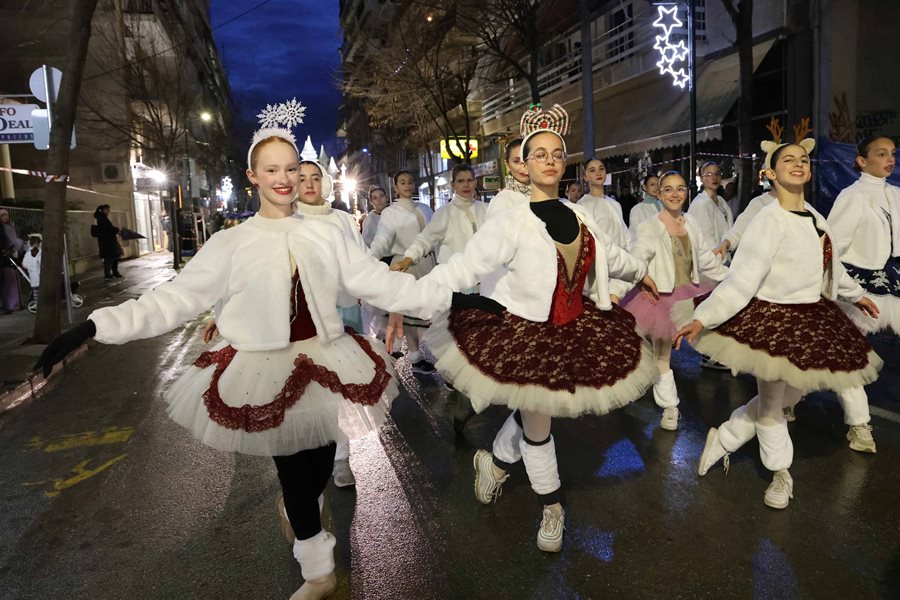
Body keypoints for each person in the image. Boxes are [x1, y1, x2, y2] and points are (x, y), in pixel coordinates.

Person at [35, 126, 453, 600]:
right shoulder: (231, 242)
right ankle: (318, 571)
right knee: (295, 474)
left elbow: (374, 281)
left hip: (325, 359)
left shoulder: (328, 231)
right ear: (253, 175)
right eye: (272, 169)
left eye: (291, 168)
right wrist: (94, 326)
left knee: (315, 468)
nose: (284, 178)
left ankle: (305, 522)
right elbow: (175, 299)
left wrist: (444, 295)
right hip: (263, 371)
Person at [403, 104, 659, 552]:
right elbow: (467, 264)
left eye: (556, 153)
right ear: (525, 161)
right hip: (524, 333)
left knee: (535, 411)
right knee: (539, 426)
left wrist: (640, 272)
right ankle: (552, 509)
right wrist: (412, 291)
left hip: (573, 327)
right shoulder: (512, 219)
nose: (548, 159)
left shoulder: (579, 215)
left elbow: (608, 255)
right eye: (538, 153)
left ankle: (497, 464)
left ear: (564, 162)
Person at [675, 139, 881, 510]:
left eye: (803, 159)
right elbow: (741, 280)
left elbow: (830, 266)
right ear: (770, 173)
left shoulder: (817, 218)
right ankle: (780, 473)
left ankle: (725, 437)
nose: (798, 164)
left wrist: (856, 294)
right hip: (772, 320)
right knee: (771, 405)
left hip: (812, 317)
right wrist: (703, 317)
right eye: (788, 160)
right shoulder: (767, 220)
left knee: (794, 393)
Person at [621, 171, 728, 431]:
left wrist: (734, 278)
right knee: (663, 355)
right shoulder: (650, 226)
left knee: (709, 337)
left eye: (680, 188)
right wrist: (615, 292)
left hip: (688, 294)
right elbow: (636, 260)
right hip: (660, 298)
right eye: (668, 189)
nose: (675, 194)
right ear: (658, 194)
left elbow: (704, 259)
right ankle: (670, 407)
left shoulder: (690, 222)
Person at [827, 135, 900, 337]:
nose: (890, 159)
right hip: (862, 286)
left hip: (894, 280)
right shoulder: (852, 196)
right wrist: (849, 290)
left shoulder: (895, 194)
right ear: (862, 161)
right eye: (882, 154)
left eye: (892, 154)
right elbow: (831, 247)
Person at [368, 170, 436, 373]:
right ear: (395, 188)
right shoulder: (391, 213)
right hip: (404, 267)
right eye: (402, 182)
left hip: (428, 265)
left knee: (433, 313)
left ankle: (441, 356)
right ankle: (415, 357)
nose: (407, 185)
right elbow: (382, 239)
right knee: (409, 316)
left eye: (410, 181)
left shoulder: (425, 208)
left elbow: (435, 236)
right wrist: (368, 259)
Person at [393, 164, 487, 272]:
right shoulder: (444, 213)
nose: (466, 185)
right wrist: (408, 258)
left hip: (483, 274)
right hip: (454, 275)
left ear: (475, 182)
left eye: (469, 180)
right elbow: (425, 238)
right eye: (460, 181)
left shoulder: (486, 209)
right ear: (453, 185)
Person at [687, 161, 733, 251]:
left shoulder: (721, 201)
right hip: (712, 257)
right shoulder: (700, 204)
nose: (714, 177)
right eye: (709, 174)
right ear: (701, 178)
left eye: (717, 174)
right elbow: (705, 239)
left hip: (724, 254)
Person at [485, 137, 531, 219]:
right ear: (507, 165)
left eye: (527, 160)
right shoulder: (501, 201)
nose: (523, 166)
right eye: (516, 161)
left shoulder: (546, 194)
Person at [0, 207, 24, 313]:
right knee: (8, 281)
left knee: (14, 279)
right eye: (2, 215)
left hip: (13, 255)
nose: (5, 217)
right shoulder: (1, 228)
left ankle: (17, 303)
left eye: (6, 215)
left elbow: (13, 239)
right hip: (5, 257)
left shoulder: (11, 226)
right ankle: (11, 305)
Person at [93, 204, 122, 279]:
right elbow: (108, 229)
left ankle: (112, 273)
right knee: (109, 257)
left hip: (107, 241)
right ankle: (108, 274)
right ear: (104, 210)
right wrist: (116, 230)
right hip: (107, 242)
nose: (109, 211)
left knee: (112, 257)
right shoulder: (102, 218)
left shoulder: (101, 218)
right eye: (108, 209)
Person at [628, 174, 661, 238]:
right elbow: (634, 235)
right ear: (645, 187)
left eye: (658, 184)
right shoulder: (637, 209)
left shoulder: (665, 206)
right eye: (652, 184)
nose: (656, 187)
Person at [22, 234, 42, 305]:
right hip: (33, 274)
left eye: (36, 243)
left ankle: (41, 303)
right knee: (35, 289)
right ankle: (37, 303)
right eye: (33, 243)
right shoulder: (28, 254)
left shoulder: (41, 252)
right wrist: (29, 267)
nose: (35, 245)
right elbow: (24, 263)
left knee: (41, 289)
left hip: (40, 273)